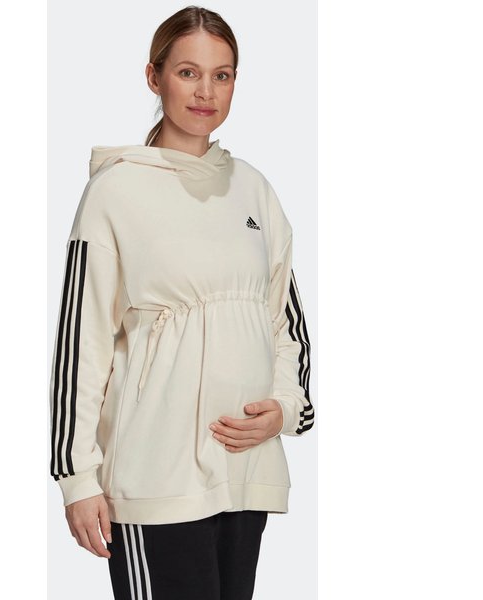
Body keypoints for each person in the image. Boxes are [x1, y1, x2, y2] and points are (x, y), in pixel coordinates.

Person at [49, 6, 314, 599]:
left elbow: (283, 320)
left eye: (222, 75)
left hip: (244, 475)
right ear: (155, 77)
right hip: (156, 479)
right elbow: (81, 341)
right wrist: (77, 477)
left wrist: (285, 408)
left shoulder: (254, 189)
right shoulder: (114, 192)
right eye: (188, 72)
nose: (206, 92)